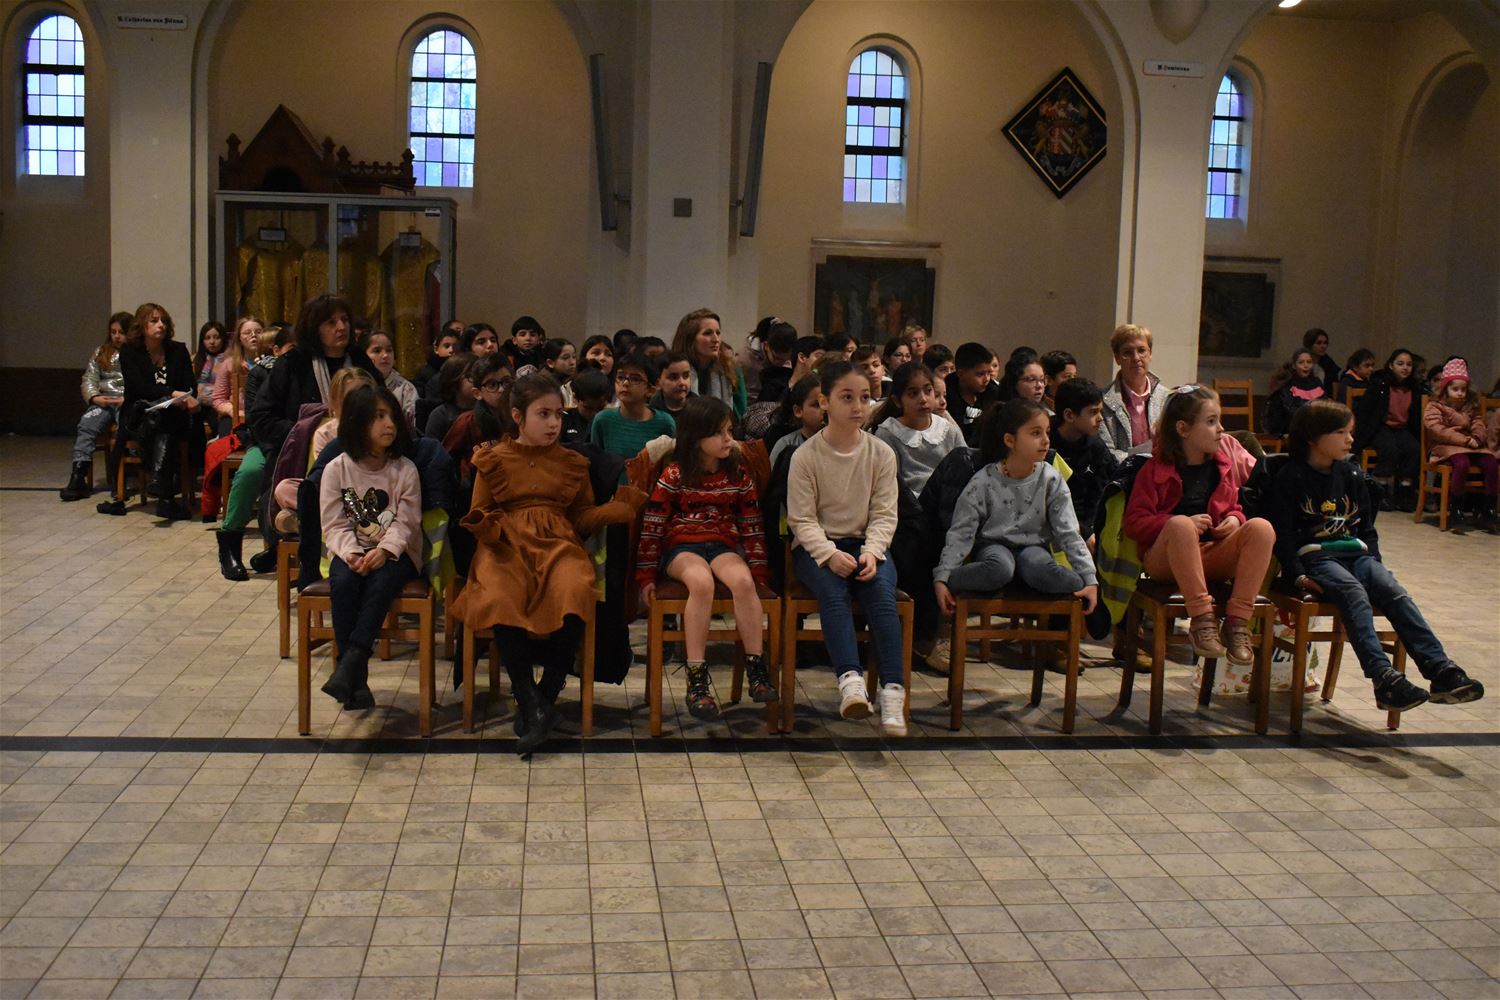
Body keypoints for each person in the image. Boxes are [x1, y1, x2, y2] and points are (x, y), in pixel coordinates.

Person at [452, 373, 647, 753]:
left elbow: (580, 518)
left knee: (574, 587)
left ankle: (547, 693)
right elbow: (480, 511)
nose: (554, 423)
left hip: (559, 543)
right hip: (505, 546)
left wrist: (613, 511)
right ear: (518, 416)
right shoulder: (493, 459)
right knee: (500, 593)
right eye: (543, 414)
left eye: (558, 414)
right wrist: (486, 527)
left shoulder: (572, 463)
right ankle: (527, 696)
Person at [1268, 400, 1484, 710]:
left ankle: (1440, 671)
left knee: (1394, 592)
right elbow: (1283, 534)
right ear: (1312, 437)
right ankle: (1384, 679)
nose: (1350, 439)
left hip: (1357, 556)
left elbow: (1367, 530)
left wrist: (1375, 565)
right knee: (1353, 593)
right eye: (1341, 432)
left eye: (1351, 432)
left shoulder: (1352, 474)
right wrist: (1298, 575)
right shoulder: (1291, 477)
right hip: (1318, 557)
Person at [786, 361, 906, 735]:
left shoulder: (881, 453)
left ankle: (892, 692)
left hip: (866, 544)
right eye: (847, 397)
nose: (858, 406)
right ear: (825, 402)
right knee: (833, 592)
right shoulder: (806, 455)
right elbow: (801, 519)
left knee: (881, 593)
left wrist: (872, 552)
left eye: (865, 398)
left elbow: (885, 514)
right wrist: (828, 554)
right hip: (816, 547)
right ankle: (850, 682)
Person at [637, 397, 775, 717]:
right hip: (682, 547)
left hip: (722, 544)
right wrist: (645, 576)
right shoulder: (675, 474)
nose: (729, 439)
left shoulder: (737, 474)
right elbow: (653, 526)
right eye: (719, 433)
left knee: (743, 582)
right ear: (696, 436)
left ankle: (756, 667)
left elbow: (752, 525)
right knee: (700, 583)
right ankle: (697, 676)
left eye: (729, 431)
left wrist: (758, 572)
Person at [1124, 385, 1274, 666]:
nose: (1221, 429)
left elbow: (1234, 506)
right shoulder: (1154, 470)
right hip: (1166, 560)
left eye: (1219, 420)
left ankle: (1237, 622)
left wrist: (1234, 519)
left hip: (1211, 552)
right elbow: (1134, 523)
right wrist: (1177, 523)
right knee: (1181, 525)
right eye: (1211, 421)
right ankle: (1202, 619)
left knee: (1261, 528)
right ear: (1183, 429)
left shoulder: (1221, 467)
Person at [933, 398, 1098, 621]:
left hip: (1034, 549)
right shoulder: (984, 480)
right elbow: (961, 532)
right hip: (993, 548)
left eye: (1047, 432)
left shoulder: (1051, 479)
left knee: (1057, 574)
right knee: (1000, 567)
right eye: (1036, 433)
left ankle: (1024, 576)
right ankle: (961, 579)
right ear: (1010, 440)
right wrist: (943, 576)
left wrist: (1089, 578)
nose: (1045, 440)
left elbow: (1068, 531)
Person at [316, 384, 423, 710]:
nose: (389, 424)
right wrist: (352, 553)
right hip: (350, 551)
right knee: (345, 582)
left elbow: (406, 522)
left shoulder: (404, 469)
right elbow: (333, 523)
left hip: (397, 553)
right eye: (378, 417)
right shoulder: (336, 468)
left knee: (381, 582)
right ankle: (356, 680)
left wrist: (384, 551)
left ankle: (351, 660)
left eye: (391, 416)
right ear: (357, 422)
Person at [95, 302, 201, 519]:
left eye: (163, 321)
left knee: (165, 419)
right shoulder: (130, 352)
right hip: (139, 415)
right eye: (154, 321)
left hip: (173, 413)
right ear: (142, 326)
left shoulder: (177, 350)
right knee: (160, 420)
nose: (161, 325)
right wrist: (172, 393)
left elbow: (190, 385)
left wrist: (181, 398)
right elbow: (139, 388)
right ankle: (165, 496)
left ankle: (159, 484)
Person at [214, 324, 297, 578]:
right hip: (265, 442)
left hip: (300, 443)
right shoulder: (260, 374)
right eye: (291, 350)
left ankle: (278, 546)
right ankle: (230, 545)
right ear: (276, 350)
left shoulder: (307, 373)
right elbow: (254, 419)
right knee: (251, 472)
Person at [60, 310, 132, 501]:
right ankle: (78, 474)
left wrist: (129, 398)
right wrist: (94, 397)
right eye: (113, 332)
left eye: (121, 332)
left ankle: (121, 478)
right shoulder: (101, 352)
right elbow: (89, 378)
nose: (117, 336)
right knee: (86, 425)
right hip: (104, 400)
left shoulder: (136, 354)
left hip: (126, 401)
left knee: (126, 428)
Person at [871, 362, 966, 498]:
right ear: (897, 401)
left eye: (928, 391)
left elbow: (965, 467)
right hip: (910, 504)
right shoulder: (888, 434)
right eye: (913, 393)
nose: (923, 399)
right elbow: (890, 483)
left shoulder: (948, 430)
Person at [1423, 358, 1498, 520]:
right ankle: (1455, 506)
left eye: (1463, 389)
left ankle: (1488, 507)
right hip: (1445, 446)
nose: (1460, 393)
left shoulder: (1470, 406)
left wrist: (1477, 437)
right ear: (1445, 389)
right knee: (1462, 463)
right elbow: (1437, 430)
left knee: (1491, 462)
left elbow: (1478, 423)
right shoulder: (1435, 406)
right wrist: (1464, 440)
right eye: (1455, 389)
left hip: (1470, 445)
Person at [1352, 347, 1424, 511]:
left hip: (1402, 428)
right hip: (1380, 426)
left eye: (1409, 364)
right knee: (1389, 448)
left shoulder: (1415, 388)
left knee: (1413, 448)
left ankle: (1405, 490)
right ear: (1391, 365)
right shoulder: (1380, 383)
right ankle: (1381, 491)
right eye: (1400, 364)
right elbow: (1366, 411)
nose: (1405, 368)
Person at [1049, 378, 1118, 542]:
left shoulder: (1096, 446)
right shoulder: (1045, 444)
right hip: (1052, 524)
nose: (1100, 418)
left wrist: (1089, 531)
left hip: (1088, 525)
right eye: (1093, 412)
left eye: (1100, 411)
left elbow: (1100, 494)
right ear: (1069, 415)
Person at [590, 353, 676, 469]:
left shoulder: (665, 423)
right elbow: (595, 465)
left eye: (635, 379)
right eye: (620, 377)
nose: (625, 383)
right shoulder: (603, 420)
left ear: (650, 389)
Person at [1100, 323, 1170, 461]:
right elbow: (1107, 453)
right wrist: (1142, 461)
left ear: (1150, 353)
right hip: (1124, 472)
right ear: (1117, 358)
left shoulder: (1167, 397)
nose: (1136, 358)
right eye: (1127, 352)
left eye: (1141, 350)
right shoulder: (1103, 401)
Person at [671, 308, 747, 420]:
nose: (716, 339)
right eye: (707, 333)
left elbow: (741, 414)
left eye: (718, 333)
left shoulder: (730, 368)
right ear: (690, 339)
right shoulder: (674, 370)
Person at [209, 316, 265, 434]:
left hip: (265, 415)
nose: (253, 335)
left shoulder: (274, 363)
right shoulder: (228, 364)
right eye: (247, 332)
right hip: (236, 413)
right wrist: (233, 411)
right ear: (239, 338)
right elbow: (218, 399)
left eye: (258, 332)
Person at [1265, 347, 1327, 437]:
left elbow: (1325, 406)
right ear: (1294, 365)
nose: (1306, 365)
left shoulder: (1317, 383)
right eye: (1301, 362)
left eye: (1309, 362)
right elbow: (1287, 412)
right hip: (1293, 428)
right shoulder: (1288, 385)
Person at [946, 342, 1000, 444]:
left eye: (989, 373)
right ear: (961, 374)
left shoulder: (994, 393)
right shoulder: (946, 393)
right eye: (980, 374)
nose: (987, 379)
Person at [766, 375, 824, 469]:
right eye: (816, 405)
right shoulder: (785, 444)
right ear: (798, 411)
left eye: (828, 403)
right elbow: (775, 477)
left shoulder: (841, 444)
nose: (824, 410)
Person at [363, 330, 417, 426]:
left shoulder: (406, 389)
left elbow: (412, 427)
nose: (385, 355)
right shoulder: (357, 385)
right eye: (377, 351)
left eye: (389, 350)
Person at [423, 353, 478, 442]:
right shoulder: (440, 416)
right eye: (470, 376)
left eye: (480, 376)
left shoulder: (487, 410)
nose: (478, 381)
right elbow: (432, 449)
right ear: (453, 382)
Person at [740, 316, 797, 398]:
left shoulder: (792, 359)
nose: (781, 364)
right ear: (766, 346)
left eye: (786, 360)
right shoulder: (745, 361)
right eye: (777, 358)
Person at [562, 368, 610, 444]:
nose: (595, 413)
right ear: (575, 398)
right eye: (588, 408)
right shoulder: (564, 420)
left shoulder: (610, 422)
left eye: (600, 408)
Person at [415, 327, 461, 399]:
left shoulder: (464, 369)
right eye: (446, 346)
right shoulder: (425, 373)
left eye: (455, 346)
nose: (451, 350)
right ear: (436, 349)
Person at [192, 320, 227, 411]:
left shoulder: (229, 360)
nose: (212, 342)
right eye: (207, 338)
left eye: (216, 337)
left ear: (223, 339)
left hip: (220, 406)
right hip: (197, 406)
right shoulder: (195, 359)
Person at [649, 352, 694, 418]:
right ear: (658, 383)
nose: (682, 383)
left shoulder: (699, 409)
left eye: (686, 376)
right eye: (673, 377)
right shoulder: (652, 410)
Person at [540, 337, 578, 407]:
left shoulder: (573, 379)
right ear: (550, 363)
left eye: (574, 357)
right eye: (565, 358)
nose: (572, 362)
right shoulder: (542, 385)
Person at [852, 345, 886, 417]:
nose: (872, 370)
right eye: (864, 367)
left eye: (876, 365)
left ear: (883, 369)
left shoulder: (894, 391)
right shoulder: (852, 403)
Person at [1304, 328, 1339, 394]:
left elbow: (1334, 388)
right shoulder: (1302, 363)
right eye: (1318, 343)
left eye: (1325, 343)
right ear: (1310, 345)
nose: (1323, 346)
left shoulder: (1329, 364)